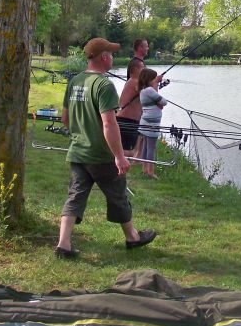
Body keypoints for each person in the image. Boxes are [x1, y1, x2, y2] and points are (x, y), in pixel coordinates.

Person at [55, 37, 157, 259]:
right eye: (110, 54)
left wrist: (81, 133)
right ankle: (132, 238)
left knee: (75, 196)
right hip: (100, 155)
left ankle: (63, 245)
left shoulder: (75, 81)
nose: (112, 57)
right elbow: (110, 123)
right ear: (103, 57)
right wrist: (120, 157)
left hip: (78, 152)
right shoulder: (104, 85)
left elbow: (65, 118)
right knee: (118, 193)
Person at [137, 67, 167, 179]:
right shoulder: (149, 91)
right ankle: (150, 172)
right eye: (154, 78)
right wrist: (156, 86)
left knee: (145, 147)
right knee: (151, 148)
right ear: (149, 79)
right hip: (151, 124)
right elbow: (164, 102)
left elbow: (159, 104)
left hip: (145, 122)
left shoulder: (144, 90)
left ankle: (144, 169)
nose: (156, 79)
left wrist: (158, 103)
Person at [116, 58, 143, 155]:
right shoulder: (133, 81)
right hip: (126, 121)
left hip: (132, 121)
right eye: (142, 68)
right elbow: (150, 91)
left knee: (132, 150)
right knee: (129, 152)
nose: (144, 71)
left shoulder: (136, 82)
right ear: (135, 69)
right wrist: (156, 81)